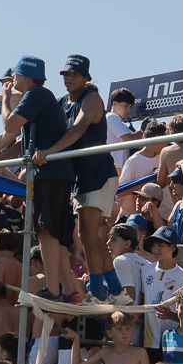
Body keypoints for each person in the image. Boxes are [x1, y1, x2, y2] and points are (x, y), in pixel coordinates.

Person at [0, 57, 80, 302]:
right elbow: (13, 139)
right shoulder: (40, 97)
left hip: (49, 174)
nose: (11, 80)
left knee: (46, 233)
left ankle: (53, 290)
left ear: (25, 76)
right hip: (56, 173)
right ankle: (68, 291)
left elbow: (8, 124)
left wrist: (4, 99)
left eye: (14, 75)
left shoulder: (36, 94)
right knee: (55, 236)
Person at [43, 55, 120, 302]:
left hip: (98, 174)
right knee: (90, 236)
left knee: (88, 236)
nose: (69, 78)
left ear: (86, 77)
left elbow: (77, 129)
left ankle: (98, 291)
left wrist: (48, 152)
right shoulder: (60, 102)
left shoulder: (92, 98)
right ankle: (116, 291)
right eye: (66, 74)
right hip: (83, 178)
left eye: (74, 74)